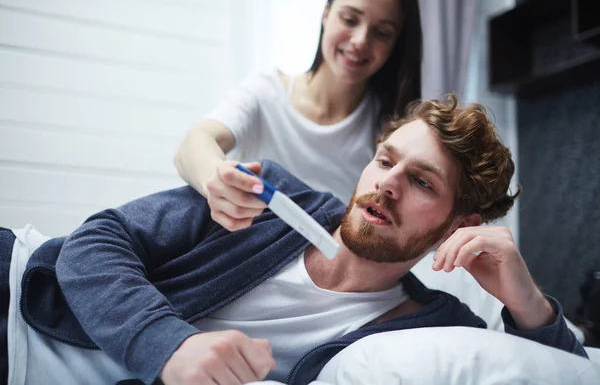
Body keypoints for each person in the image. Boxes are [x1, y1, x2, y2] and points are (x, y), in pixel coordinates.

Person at [2, 95, 587, 385]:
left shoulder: (433, 327)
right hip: (18, 296)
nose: (386, 183)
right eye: (386, 160)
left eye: (420, 182)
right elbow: (95, 241)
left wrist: (529, 305)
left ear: (461, 225)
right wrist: (169, 346)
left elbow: (558, 377)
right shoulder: (273, 198)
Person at [174, 0, 422, 231]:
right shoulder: (266, 93)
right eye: (349, 19)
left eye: (382, 33)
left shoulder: (390, 130)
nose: (360, 41)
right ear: (326, 13)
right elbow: (194, 144)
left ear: (395, 43)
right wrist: (217, 181)